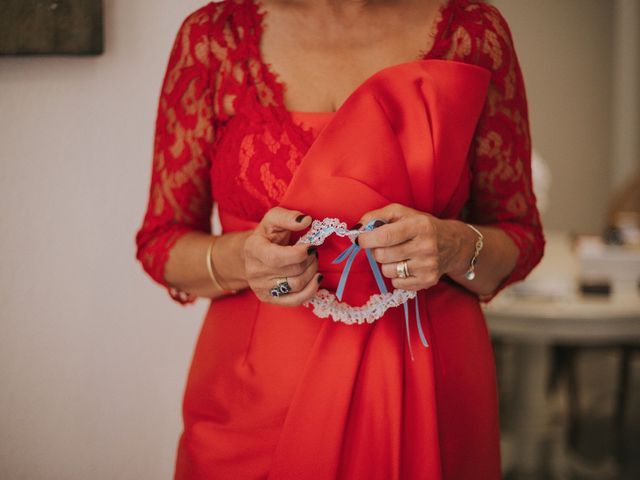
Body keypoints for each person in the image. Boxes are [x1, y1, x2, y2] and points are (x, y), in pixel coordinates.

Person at [134, 0, 545, 478]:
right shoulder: (213, 37)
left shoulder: (474, 32)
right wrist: (243, 258)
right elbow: (161, 241)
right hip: (254, 400)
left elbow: (521, 235)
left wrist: (453, 245)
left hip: (427, 384)